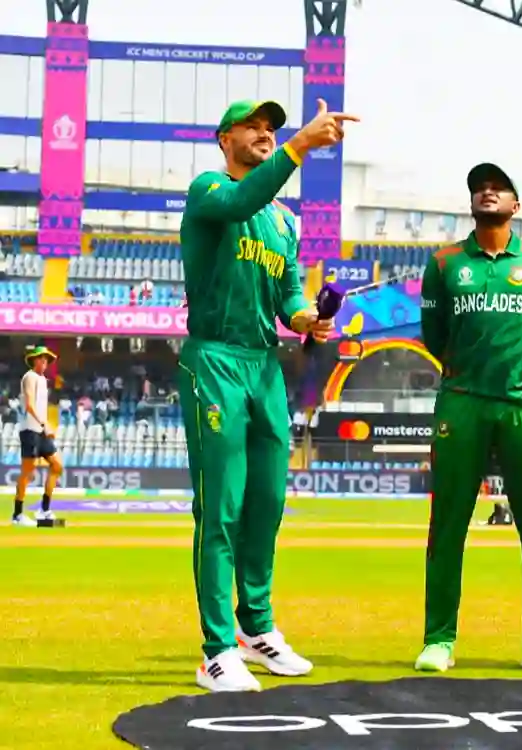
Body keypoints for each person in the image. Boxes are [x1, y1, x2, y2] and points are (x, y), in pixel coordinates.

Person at [179, 98, 354, 692]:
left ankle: (256, 629)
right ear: (224, 136)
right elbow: (238, 200)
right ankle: (214, 650)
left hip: (263, 369)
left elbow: (286, 295)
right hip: (215, 361)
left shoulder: (284, 221)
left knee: (266, 506)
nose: (265, 134)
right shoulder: (208, 190)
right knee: (221, 508)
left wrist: (307, 319)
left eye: (272, 128)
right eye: (253, 126)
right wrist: (299, 147)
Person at [416, 162, 522, 674]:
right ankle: (439, 639)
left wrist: (519, 377)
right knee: (448, 523)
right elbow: (433, 335)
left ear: (515, 206)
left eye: (498, 187)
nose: (486, 191)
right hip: (462, 401)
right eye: (479, 186)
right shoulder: (443, 263)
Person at [11, 346, 62, 528]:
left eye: (46, 359)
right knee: (28, 473)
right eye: (41, 358)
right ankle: (17, 514)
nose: (45, 362)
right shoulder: (29, 377)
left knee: (57, 465)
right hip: (30, 430)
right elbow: (29, 406)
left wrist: (44, 426)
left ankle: (44, 509)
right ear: (34, 360)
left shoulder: (42, 380)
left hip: (40, 431)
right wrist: (45, 424)